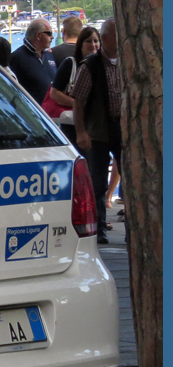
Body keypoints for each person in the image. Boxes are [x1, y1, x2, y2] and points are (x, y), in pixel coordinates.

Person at [71, 18, 122, 244]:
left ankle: (132, 229)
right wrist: (81, 132)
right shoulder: (90, 65)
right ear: (107, 37)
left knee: (128, 179)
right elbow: (78, 102)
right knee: (98, 181)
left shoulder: (127, 61)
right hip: (98, 130)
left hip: (122, 129)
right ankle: (99, 228)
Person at [43, 25, 100, 143]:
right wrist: (78, 104)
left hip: (97, 123)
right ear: (80, 44)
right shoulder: (70, 63)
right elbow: (54, 93)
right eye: (88, 41)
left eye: (96, 41)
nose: (93, 44)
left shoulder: (102, 65)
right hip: (72, 124)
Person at [8, 17, 58, 103]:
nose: (52, 37)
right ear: (39, 35)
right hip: (32, 112)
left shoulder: (49, 55)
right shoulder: (17, 58)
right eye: (49, 33)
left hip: (50, 112)